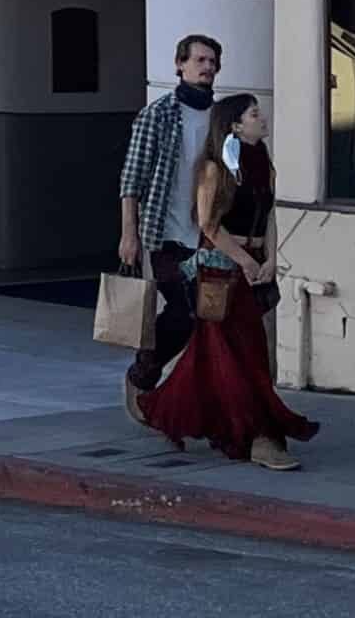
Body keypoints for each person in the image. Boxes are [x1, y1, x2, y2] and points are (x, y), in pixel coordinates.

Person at [138, 94, 318, 470]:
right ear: (234, 125)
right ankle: (257, 435)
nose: (262, 118)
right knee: (239, 351)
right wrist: (247, 261)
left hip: (251, 263)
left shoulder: (264, 166)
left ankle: (170, 407)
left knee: (215, 354)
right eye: (254, 114)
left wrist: (270, 258)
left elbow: (269, 216)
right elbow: (209, 225)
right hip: (221, 270)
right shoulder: (215, 168)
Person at [118, 33, 224, 423]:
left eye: (212, 61)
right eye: (199, 60)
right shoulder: (158, 114)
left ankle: (195, 396)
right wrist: (129, 234)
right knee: (182, 311)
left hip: (210, 236)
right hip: (165, 234)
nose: (207, 67)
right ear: (180, 65)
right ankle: (142, 374)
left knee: (211, 317)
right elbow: (132, 178)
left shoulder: (221, 118)